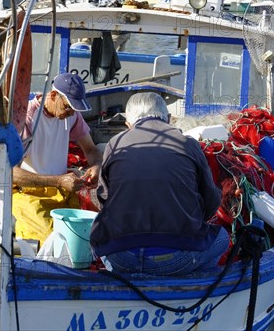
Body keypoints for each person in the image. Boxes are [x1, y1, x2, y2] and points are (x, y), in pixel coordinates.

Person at [90, 92, 229, 275]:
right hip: (175, 259)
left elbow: (103, 200)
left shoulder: (114, 144)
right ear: (169, 119)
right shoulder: (189, 144)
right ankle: (193, 286)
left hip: (122, 257)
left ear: (128, 125)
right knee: (222, 238)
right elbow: (211, 200)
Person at [12, 73, 102, 244]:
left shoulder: (72, 115)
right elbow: (10, 173)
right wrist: (58, 181)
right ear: (53, 96)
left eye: (74, 109)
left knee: (85, 236)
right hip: (29, 194)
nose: (70, 113)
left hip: (62, 191)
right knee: (51, 241)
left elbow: (91, 149)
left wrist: (96, 166)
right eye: (68, 107)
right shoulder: (28, 117)